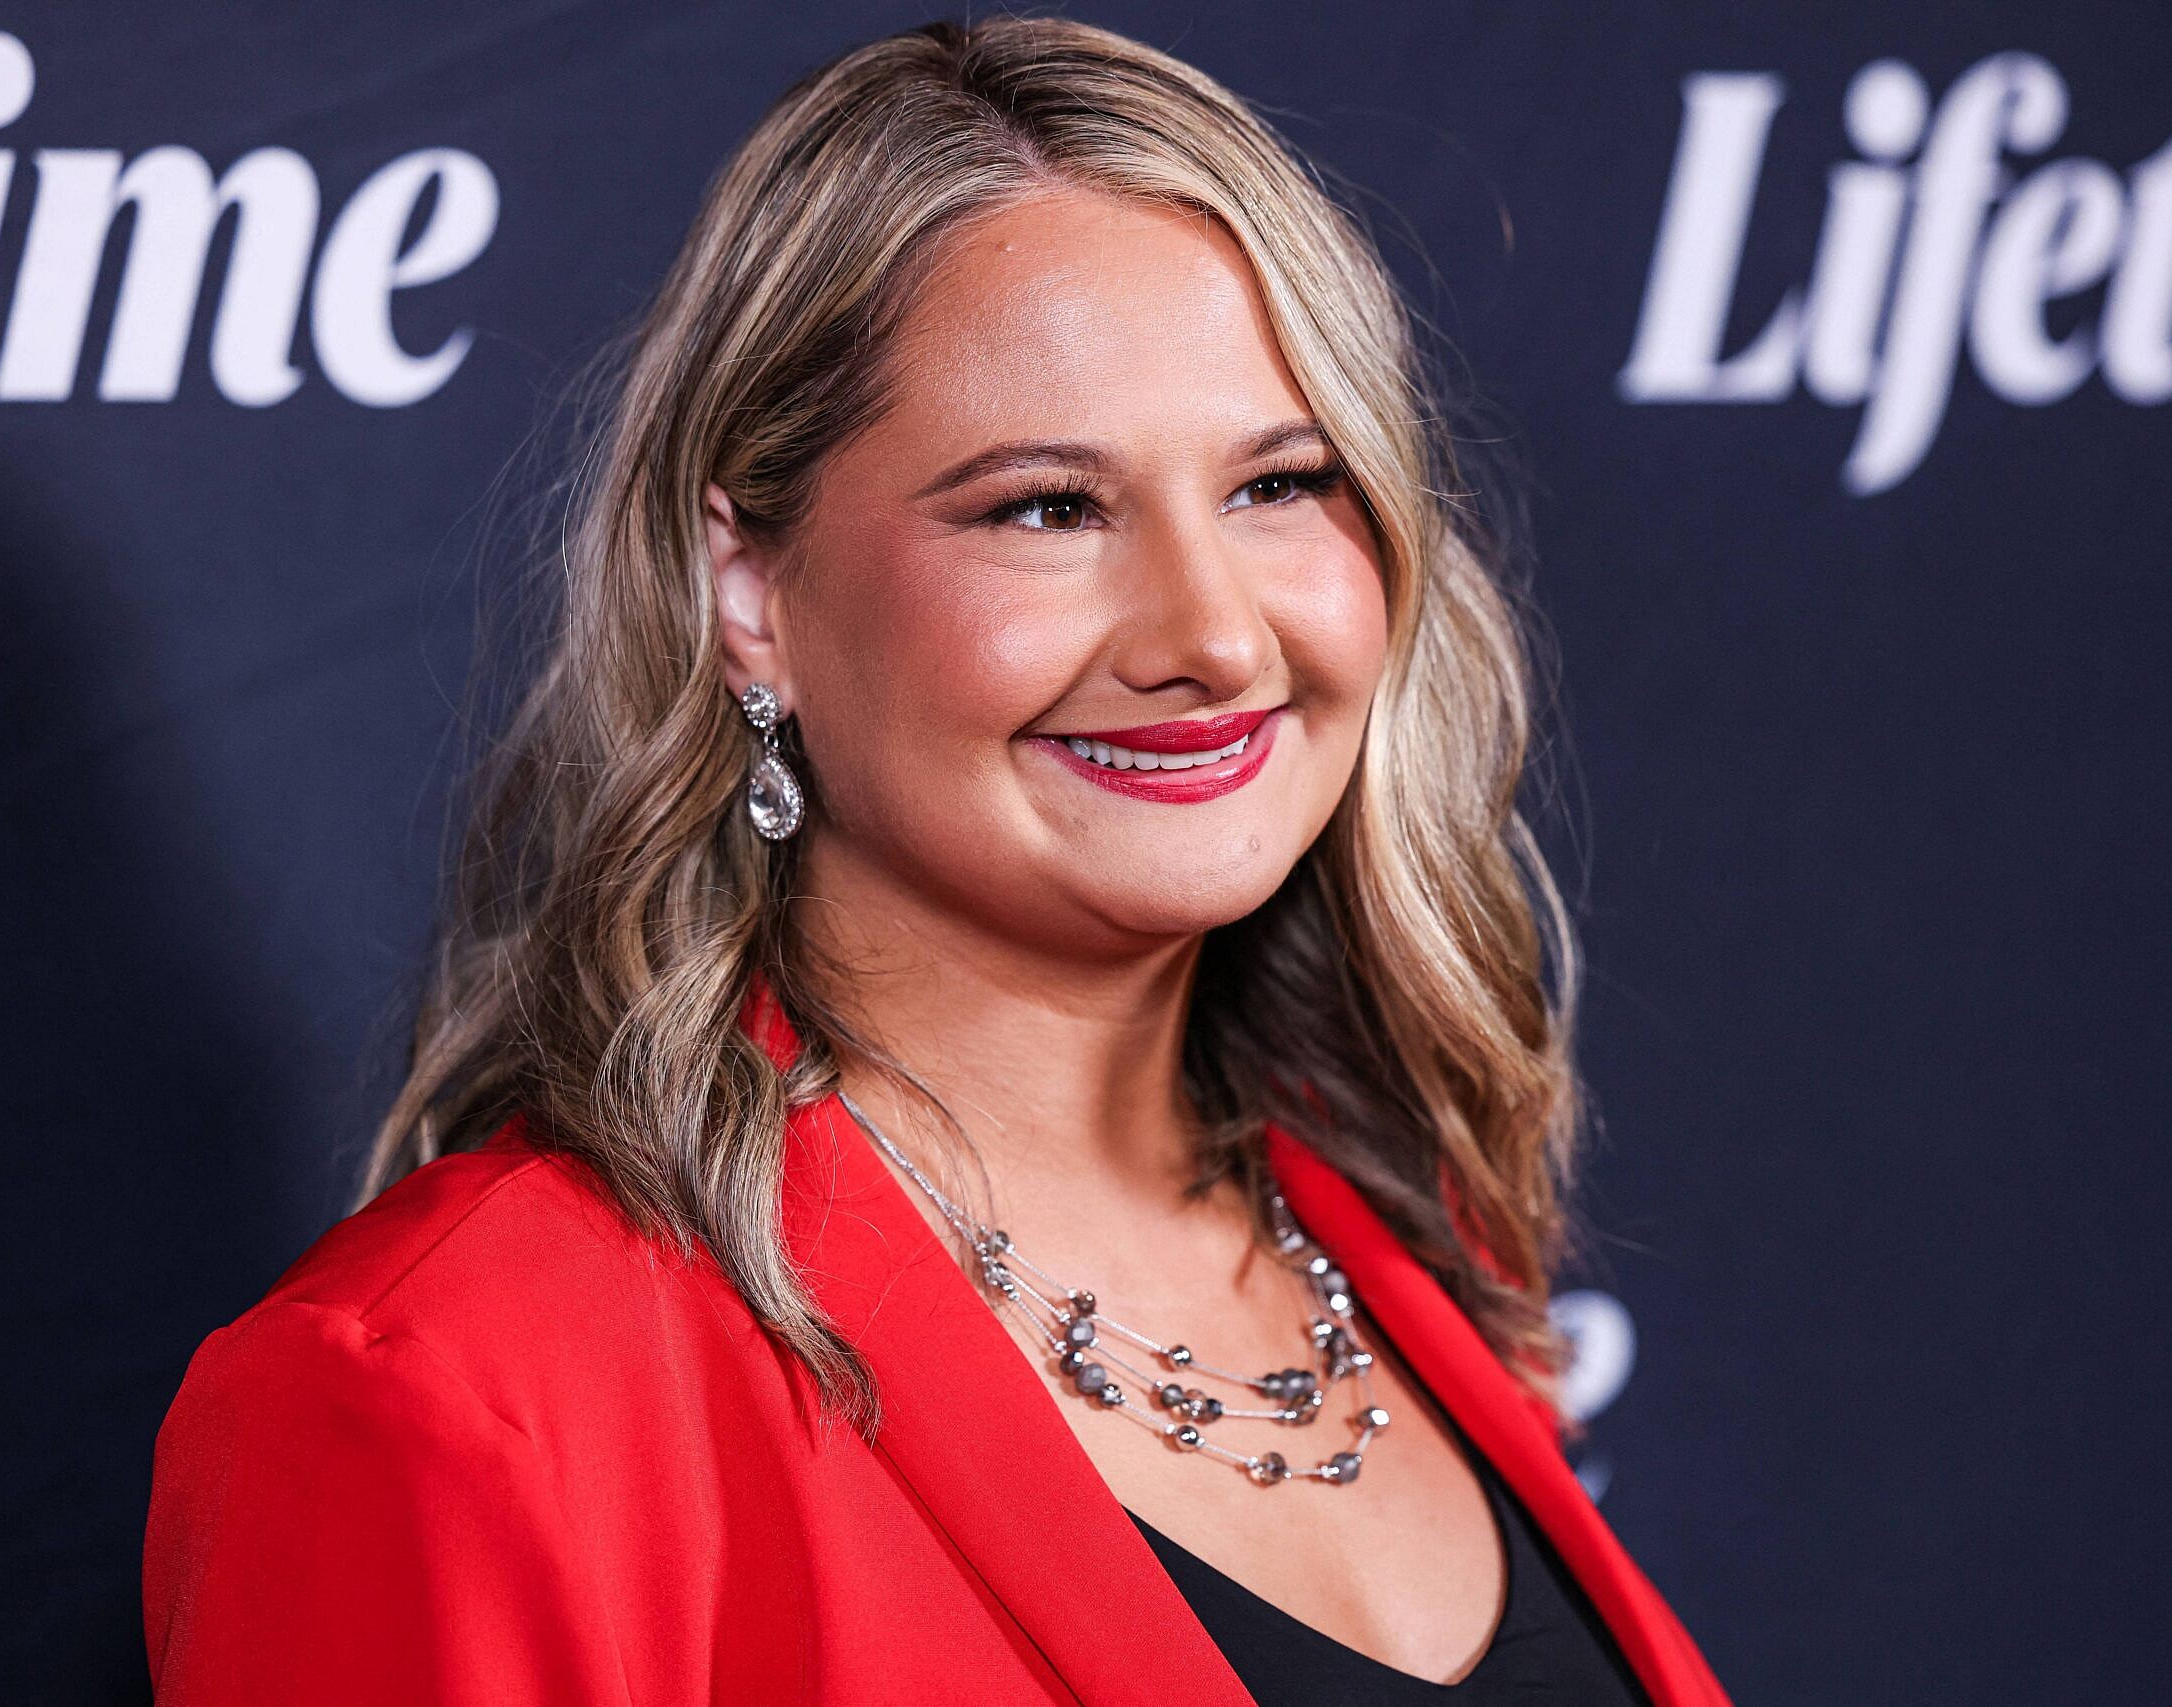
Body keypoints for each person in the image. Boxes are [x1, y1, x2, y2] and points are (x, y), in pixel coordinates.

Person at [142, 16, 1729, 1705]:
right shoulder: (462, 1388)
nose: (1212, 633)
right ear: (750, 598)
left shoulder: (1410, 1250)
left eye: (1283, 482)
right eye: (1048, 507)